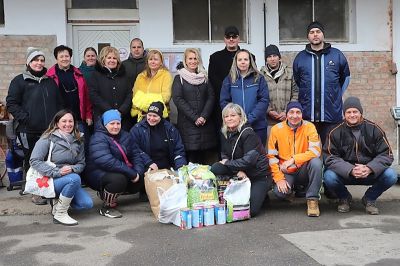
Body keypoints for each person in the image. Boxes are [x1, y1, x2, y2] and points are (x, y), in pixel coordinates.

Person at [6, 47, 64, 205]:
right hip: (28, 130)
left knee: (48, 160)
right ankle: (34, 192)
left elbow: (59, 103)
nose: (39, 63)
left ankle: (47, 188)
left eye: (41, 60)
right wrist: (26, 119)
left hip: (48, 130)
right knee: (32, 160)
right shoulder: (19, 81)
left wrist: (58, 122)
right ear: (28, 62)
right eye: (35, 60)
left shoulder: (49, 81)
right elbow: (11, 103)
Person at [323, 97, 397, 215]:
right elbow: (329, 157)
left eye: (355, 112)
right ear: (344, 114)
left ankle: (370, 198)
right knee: (328, 176)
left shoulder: (374, 129)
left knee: (391, 175)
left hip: (370, 173)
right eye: (349, 112)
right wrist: (350, 170)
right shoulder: (335, 131)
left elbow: (386, 154)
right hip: (346, 174)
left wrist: (369, 168)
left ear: (360, 112)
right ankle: (344, 198)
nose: (352, 115)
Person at [29, 109, 93, 225]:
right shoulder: (47, 137)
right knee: (75, 178)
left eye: (70, 121)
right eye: (64, 121)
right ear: (57, 123)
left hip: (70, 178)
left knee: (86, 204)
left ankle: (57, 204)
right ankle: (60, 214)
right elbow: (34, 160)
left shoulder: (79, 139)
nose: (68, 124)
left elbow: (81, 163)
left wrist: (72, 169)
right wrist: (58, 172)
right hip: (50, 179)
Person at [293, 21, 350, 144]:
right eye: (311, 32)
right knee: (307, 154)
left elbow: (345, 79)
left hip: (331, 115)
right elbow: (298, 82)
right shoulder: (300, 58)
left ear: (323, 34)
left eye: (318, 32)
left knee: (331, 153)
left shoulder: (337, 55)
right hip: (308, 115)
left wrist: (335, 96)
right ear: (308, 36)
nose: (315, 35)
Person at [210, 103, 270, 217]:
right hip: (239, 171)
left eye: (233, 115)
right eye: (226, 116)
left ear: (240, 117)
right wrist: (237, 171)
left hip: (258, 175)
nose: (229, 119)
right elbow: (224, 154)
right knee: (216, 167)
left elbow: (249, 161)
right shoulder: (224, 132)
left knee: (250, 211)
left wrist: (228, 163)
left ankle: (262, 193)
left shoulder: (248, 133)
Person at [85, 109, 144, 218]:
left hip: (120, 171)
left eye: (118, 123)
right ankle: (107, 207)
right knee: (118, 180)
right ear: (105, 124)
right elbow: (106, 161)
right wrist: (131, 173)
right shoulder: (98, 137)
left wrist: (138, 173)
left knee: (142, 175)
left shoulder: (126, 135)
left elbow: (136, 155)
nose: (115, 126)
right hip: (97, 173)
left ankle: (111, 193)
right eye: (112, 123)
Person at [267, 101, 322, 217]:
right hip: (286, 171)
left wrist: (293, 159)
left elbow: (315, 151)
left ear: (302, 114)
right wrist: (279, 179)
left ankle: (312, 199)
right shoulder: (276, 129)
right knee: (279, 193)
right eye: (291, 112)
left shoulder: (309, 127)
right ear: (286, 114)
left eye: (298, 112)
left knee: (316, 163)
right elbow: (272, 157)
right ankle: (289, 190)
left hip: (304, 169)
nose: (295, 116)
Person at [172, 48, 216, 164]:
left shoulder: (205, 77)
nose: (193, 61)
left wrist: (203, 116)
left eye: (195, 58)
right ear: (185, 61)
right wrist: (195, 117)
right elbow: (178, 99)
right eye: (190, 58)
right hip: (187, 125)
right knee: (191, 160)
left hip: (205, 124)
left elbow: (211, 97)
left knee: (205, 161)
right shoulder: (179, 78)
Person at [220, 49, 269, 146]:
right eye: (240, 59)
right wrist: (235, 119)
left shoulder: (259, 78)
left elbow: (264, 100)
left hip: (257, 126)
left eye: (246, 59)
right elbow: (224, 101)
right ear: (236, 62)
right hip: (235, 127)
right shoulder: (229, 79)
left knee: (257, 156)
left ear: (250, 61)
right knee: (239, 157)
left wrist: (249, 119)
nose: (243, 62)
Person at [47, 45, 93, 146]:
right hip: (59, 120)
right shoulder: (49, 76)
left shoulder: (79, 74)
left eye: (67, 56)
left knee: (84, 145)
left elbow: (86, 97)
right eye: (61, 56)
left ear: (70, 57)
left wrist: (88, 115)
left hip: (78, 119)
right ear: (56, 58)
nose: (64, 59)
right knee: (62, 147)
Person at [130, 101, 187, 171]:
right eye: (149, 115)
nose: (151, 118)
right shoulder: (137, 129)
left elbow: (178, 149)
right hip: (147, 168)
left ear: (160, 116)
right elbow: (134, 149)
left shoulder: (170, 129)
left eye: (155, 116)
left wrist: (180, 167)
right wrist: (148, 162)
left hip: (168, 168)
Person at [88, 46, 133, 131]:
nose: (112, 60)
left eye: (114, 58)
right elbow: (93, 95)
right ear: (103, 59)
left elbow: (129, 94)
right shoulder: (95, 74)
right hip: (102, 117)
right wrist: (110, 112)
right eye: (109, 58)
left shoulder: (124, 74)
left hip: (123, 118)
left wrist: (121, 111)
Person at [208, 25, 242, 129]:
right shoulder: (215, 58)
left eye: (234, 36)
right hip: (222, 104)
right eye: (228, 37)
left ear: (238, 39)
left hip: (242, 102)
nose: (231, 39)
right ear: (224, 39)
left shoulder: (247, 56)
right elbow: (212, 80)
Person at [260, 44, 298, 135]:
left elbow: (296, 93)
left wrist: (287, 111)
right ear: (266, 59)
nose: (272, 59)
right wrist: (269, 111)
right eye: (269, 56)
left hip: (289, 119)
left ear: (279, 58)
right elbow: (259, 96)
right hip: (269, 121)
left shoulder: (290, 73)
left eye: (275, 56)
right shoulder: (261, 75)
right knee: (271, 147)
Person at [131, 49, 172, 122]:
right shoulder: (141, 76)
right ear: (147, 61)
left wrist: (143, 100)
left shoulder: (166, 75)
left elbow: (165, 97)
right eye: (150, 59)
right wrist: (155, 97)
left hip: (160, 116)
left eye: (156, 59)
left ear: (161, 62)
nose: (153, 62)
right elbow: (135, 98)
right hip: (142, 117)